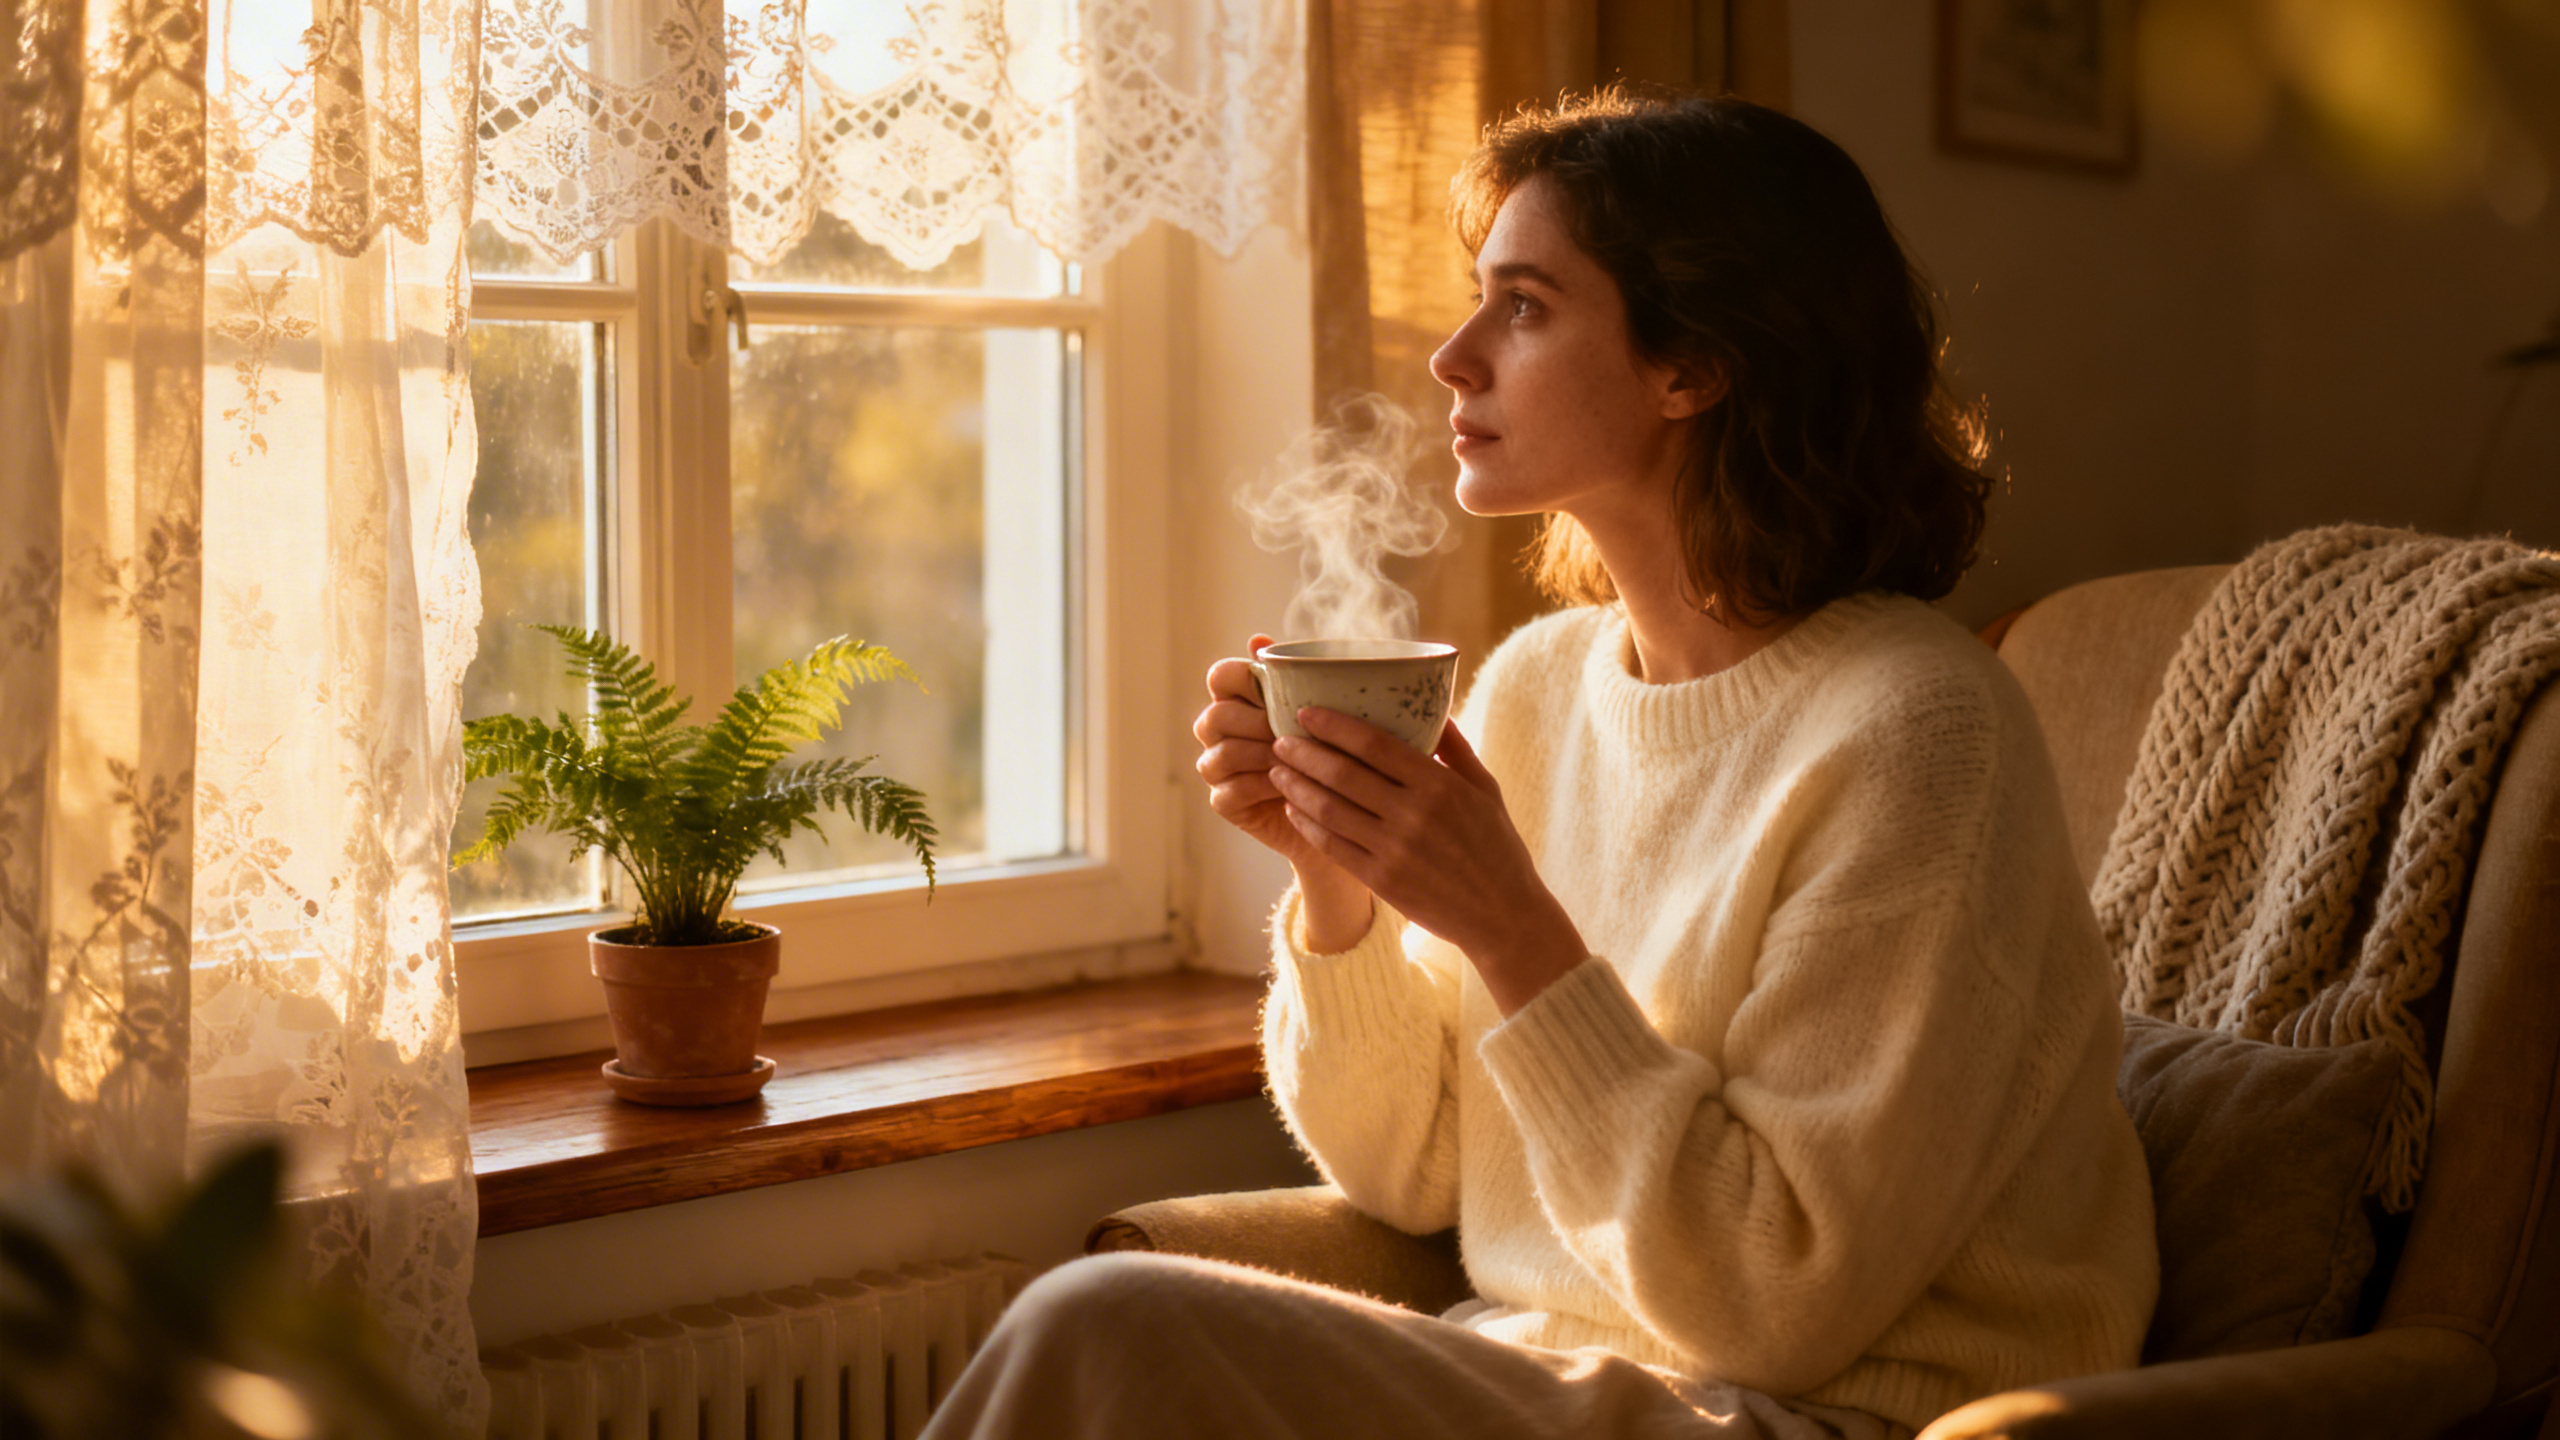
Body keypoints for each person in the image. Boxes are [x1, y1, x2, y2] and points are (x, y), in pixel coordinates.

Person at [922, 90, 2158, 1440]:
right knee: (1114, 1337)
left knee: (1107, 1325)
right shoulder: (1539, 687)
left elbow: (1774, 1299)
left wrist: (1511, 926)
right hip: (1545, 1380)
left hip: (1812, 1415)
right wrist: (1336, 876)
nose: (1454, 357)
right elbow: (1411, 1175)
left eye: (1522, 306)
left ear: (1694, 364)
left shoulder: (1918, 736)